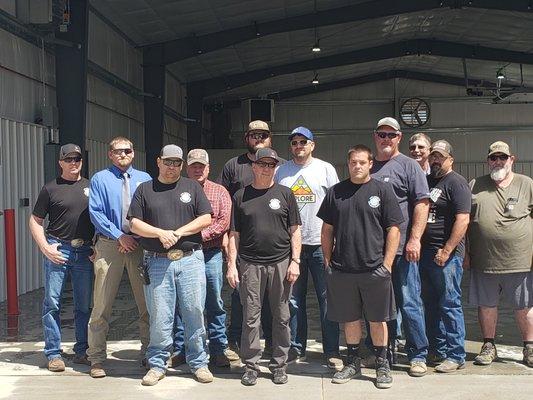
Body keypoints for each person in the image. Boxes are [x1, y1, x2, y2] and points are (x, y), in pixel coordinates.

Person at [128, 144, 214, 385]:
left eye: (177, 163)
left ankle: (199, 363)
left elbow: (206, 218)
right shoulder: (145, 190)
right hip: (157, 262)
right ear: (158, 162)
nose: (172, 167)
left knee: (194, 312)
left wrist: (177, 233)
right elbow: (134, 223)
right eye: (168, 162)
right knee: (160, 316)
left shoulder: (192, 187)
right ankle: (157, 364)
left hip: (190, 261)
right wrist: (159, 233)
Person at [318, 144, 403, 389]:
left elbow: (394, 229)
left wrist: (387, 264)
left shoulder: (383, 191)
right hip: (343, 270)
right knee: (350, 319)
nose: (357, 166)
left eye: (362, 162)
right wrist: (328, 261)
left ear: (370, 164)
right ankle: (352, 361)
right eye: (353, 162)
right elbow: (327, 230)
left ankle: (382, 363)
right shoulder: (336, 192)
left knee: (378, 320)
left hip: (374, 269)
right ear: (348, 164)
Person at [227, 148, 301, 386]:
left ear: (275, 168)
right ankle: (251, 365)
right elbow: (234, 234)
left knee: (281, 316)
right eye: (262, 164)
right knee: (251, 317)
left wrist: (296, 261)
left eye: (271, 164)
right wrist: (231, 265)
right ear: (254, 167)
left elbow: (295, 231)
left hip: (281, 262)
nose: (266, 168)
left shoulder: (286, 194)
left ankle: (279, 364)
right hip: (250, 264)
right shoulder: (240, 196)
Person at [274, 126, 341, 370]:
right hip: (292, 247)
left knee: (327, 299)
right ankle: (296, 347)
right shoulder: (281, 171)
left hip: (320, 244)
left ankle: (331, 350)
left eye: (304, 142)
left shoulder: (325, 169)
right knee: (293, 301)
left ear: (312, 145)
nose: (299, 146)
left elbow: (336, 206)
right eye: (294, 142)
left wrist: (334, 242)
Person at [370, 117, 430, 376]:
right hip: (375, 250)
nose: (386, 139)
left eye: (390, 135)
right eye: (382, 134)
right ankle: (385, 351)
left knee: (409, 301)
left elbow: (422, 203)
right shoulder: (368, 166)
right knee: (380, 305)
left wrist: (415, 239)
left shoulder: (409, 166)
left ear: (399, 138)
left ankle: (418, 354)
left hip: (403, 250)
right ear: (375, 136)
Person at [87, 137, 151, 378]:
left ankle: (149, 352)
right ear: (110, 154)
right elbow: (96, 213)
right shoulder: (99, 179)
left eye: (127, 151)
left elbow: (149, 211)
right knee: (102, 303)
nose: (123, 154)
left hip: (139, 245)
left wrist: (136, 237)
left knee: (147, 303)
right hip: (110, 245)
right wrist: (119, 236)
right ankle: (96, 359)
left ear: (133, 153)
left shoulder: (145, 179)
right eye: (118, 151)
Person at [29, 144, 94, 372]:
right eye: (68, 159)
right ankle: (53, 353)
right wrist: (45, 247)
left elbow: (100, 218)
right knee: (53, 303)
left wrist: (97, 246)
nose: (73, 163)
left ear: (82, 161)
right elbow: (35, 220)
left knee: (83, 305)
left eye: (77, 159)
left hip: (85, 251)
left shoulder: (91, 187)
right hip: (59, 249)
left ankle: (82, 350)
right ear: (60, 163)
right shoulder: (50, 189)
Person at [467, 141, 533, 368]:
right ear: (488, 161)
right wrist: (465, 252)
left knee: (524, 306)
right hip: (484, 260)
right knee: (486, 305)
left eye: (502, 157)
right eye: (493, 158)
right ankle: (488, 345)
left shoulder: (527, 184)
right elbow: (464, 219)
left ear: (511, 159)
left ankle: (530, 347)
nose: (498, 162)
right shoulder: (475, 184)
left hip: (520, 260)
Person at [170, 149, 238, 368]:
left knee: (214, 302)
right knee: (183, 304)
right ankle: (181, 349)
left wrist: (193, 235)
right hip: (183, 254)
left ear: (208, 168)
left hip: (210, 254)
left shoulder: (220, 192)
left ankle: (218, 349)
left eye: (202, 166)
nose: (197, 169)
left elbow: (223, 223)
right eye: (193, 166)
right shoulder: (176, 189)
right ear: (186, 168)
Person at [219, 120, 281, 355]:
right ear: (246, 137)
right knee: (240, 294)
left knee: (272, 298)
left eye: (263, 135)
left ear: (270, 138)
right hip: (241, 238)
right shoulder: (233, 165)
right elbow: (224, 200)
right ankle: (235, 339)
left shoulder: (279, 164)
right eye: (254, 135)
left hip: (273, 242)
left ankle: (272, 342)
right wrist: (226, 234)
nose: (259, 138)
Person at [420, 140, 470, 373]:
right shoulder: (428, 181)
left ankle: (456, 354)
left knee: (450, 304)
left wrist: (447, 250)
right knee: (429, 303)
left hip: (446, 255)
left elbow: (463, 220)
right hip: (425, 253)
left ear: (451, 159)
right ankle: (437, 349)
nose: (435, 160)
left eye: (440, 156)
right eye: (433, 156)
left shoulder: (456, 183)